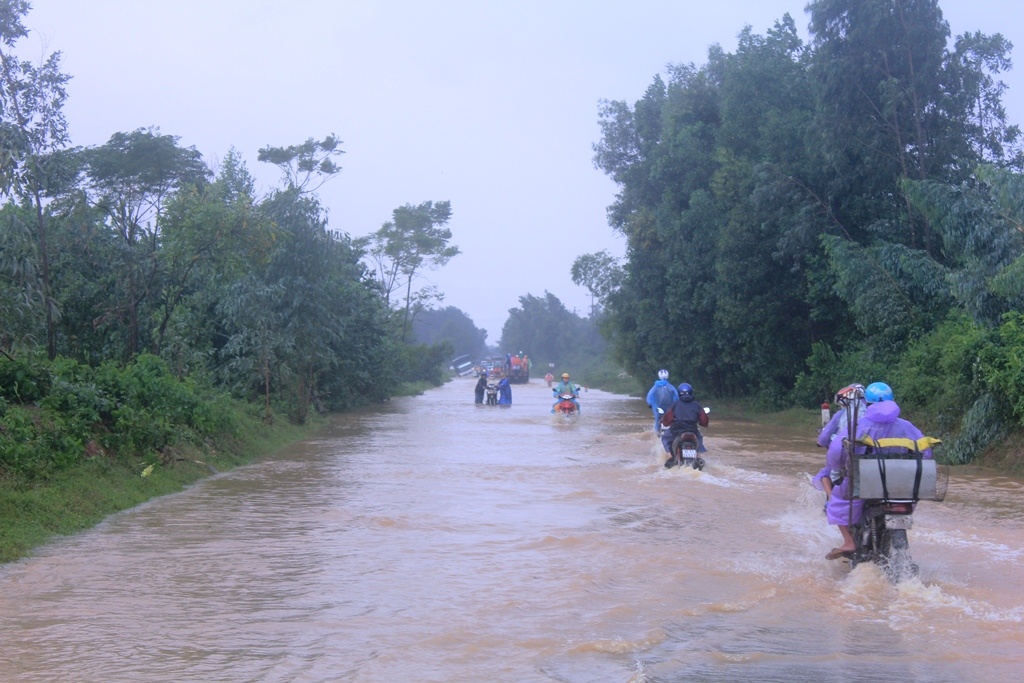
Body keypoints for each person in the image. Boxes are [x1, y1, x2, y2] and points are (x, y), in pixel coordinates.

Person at [812, 381, 932, 560]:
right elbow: (926, 453)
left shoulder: (859, 425)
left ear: (867, 403)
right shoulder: (907, 426)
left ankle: (849, 541)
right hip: (901, 487)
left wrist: (839, 467)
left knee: (836, 501)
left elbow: (835, 456)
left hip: (864, 485)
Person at [660, 382, 708, 456]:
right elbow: (704, 422)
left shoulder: (675, 404)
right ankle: (698, 456)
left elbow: (668, 420)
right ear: (691, 392)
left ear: (679, 393)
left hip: (677, 430)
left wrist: (665, 422)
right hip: (693, 430)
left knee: (665, 438)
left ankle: (670, 456)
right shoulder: (697, 405)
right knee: (699, 438)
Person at [817, 383, 867, 448]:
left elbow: (826, 435)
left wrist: (821, 442)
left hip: (845, 450)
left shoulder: (841, 414)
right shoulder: (871, 411)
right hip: (873, 451)